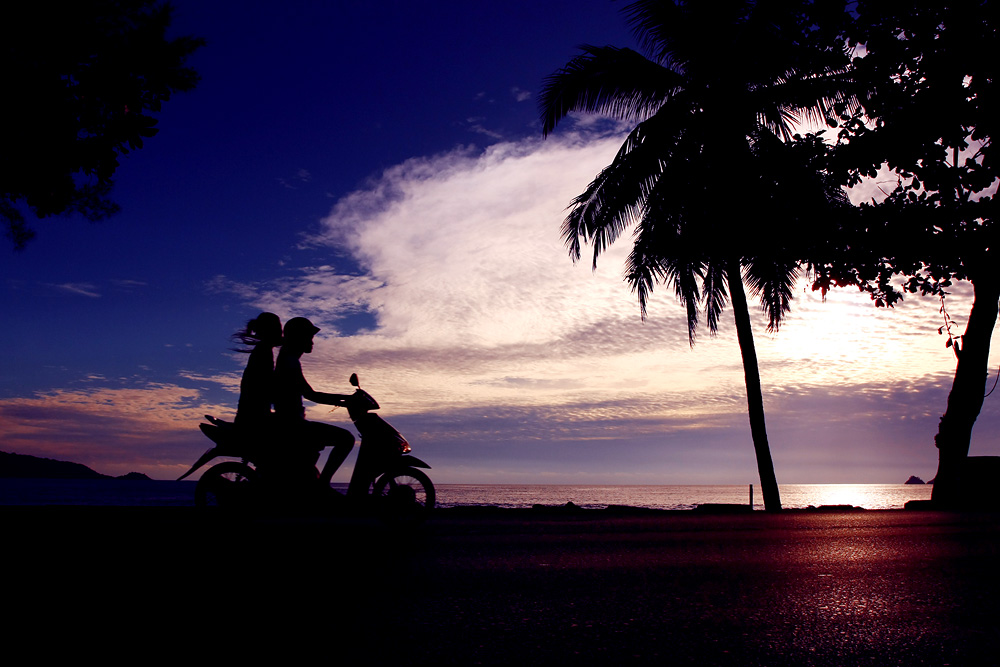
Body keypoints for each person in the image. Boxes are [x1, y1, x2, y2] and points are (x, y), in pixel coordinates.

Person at [274, 317, 356, 485]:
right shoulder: (289, 362)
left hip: (291, 422)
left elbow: (310, 394)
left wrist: (345, 399)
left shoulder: (288, 359)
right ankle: (323, 484)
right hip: (292, 424)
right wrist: (346, 400)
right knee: (346, 438)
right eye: (309, 337)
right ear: (298, 337)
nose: (312, 342)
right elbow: (311, 395)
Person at [233, 311, 282, 431]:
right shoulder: (263, 352)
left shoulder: (263, 350)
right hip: (254, 419)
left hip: (250, 415)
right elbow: (262, 386)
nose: (281, 333)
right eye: (278, 329)